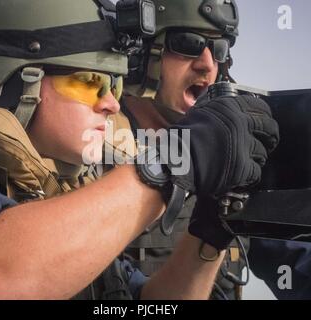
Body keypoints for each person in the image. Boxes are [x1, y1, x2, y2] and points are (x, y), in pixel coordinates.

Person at [0, 0, 279, 300]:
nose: (112, 105)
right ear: (17, 80)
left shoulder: (51, 188)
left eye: (114, 86)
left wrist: (211, 230)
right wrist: (171, 163)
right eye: (89, 82)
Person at [120, 0, 250, 300]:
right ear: (142, 53)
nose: (207, 64)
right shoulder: (86, 152)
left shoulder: (234, 153)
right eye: (189, 44)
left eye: (218, 50)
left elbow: (306, 262)